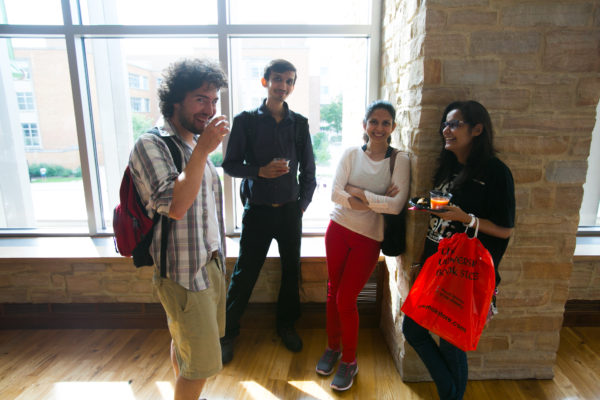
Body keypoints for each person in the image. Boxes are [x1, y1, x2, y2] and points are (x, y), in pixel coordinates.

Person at [128, 58, 229, 400]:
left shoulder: (191, 142)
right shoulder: (151, 144)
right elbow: (176, 205)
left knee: (186, 346)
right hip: (183, 272)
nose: (210, 109)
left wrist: (200, 149)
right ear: (176, 100)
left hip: (209, 262)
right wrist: (203, 150)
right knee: (201, 363)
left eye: (214, 100)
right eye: (201, 99)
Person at [402, 100, 515, 400]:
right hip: (436, 270)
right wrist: (420, 264)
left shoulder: (496, 172)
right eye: (445, 124)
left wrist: (467, 218)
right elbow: (439, 226)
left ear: (477, 129)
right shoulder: (448, 168)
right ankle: (450, 394)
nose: (445, 130)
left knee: (451, 344)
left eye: (454, 124)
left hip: (467, 275)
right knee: (412, 331)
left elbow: (505, 229)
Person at [221, 59, 317, 363]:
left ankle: (286, 325)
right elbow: (230, 165)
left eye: (289, 81)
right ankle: (227, 333)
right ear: (265, 82)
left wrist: (301, 206)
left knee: (291, 271)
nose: (283, 86)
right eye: (278, 80)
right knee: (244, 273)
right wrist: (260, 171)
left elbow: (310, 173)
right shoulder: (246, 121)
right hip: (258, 211)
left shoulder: (299, 124)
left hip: (290, 212)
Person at [316, 100, 410, 391]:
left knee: (346, 298)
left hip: (369, 238)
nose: (379, 128)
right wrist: (373, 199)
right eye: (374, 121)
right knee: (333, 292)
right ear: (365, 125)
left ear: (393, 127)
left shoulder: (400, 160)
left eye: (385, 123)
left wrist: (357, 192)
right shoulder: (350, 154)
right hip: (337, 230)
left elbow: (395, 207)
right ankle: (333, 347)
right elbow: (334, 194)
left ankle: (350, 360)